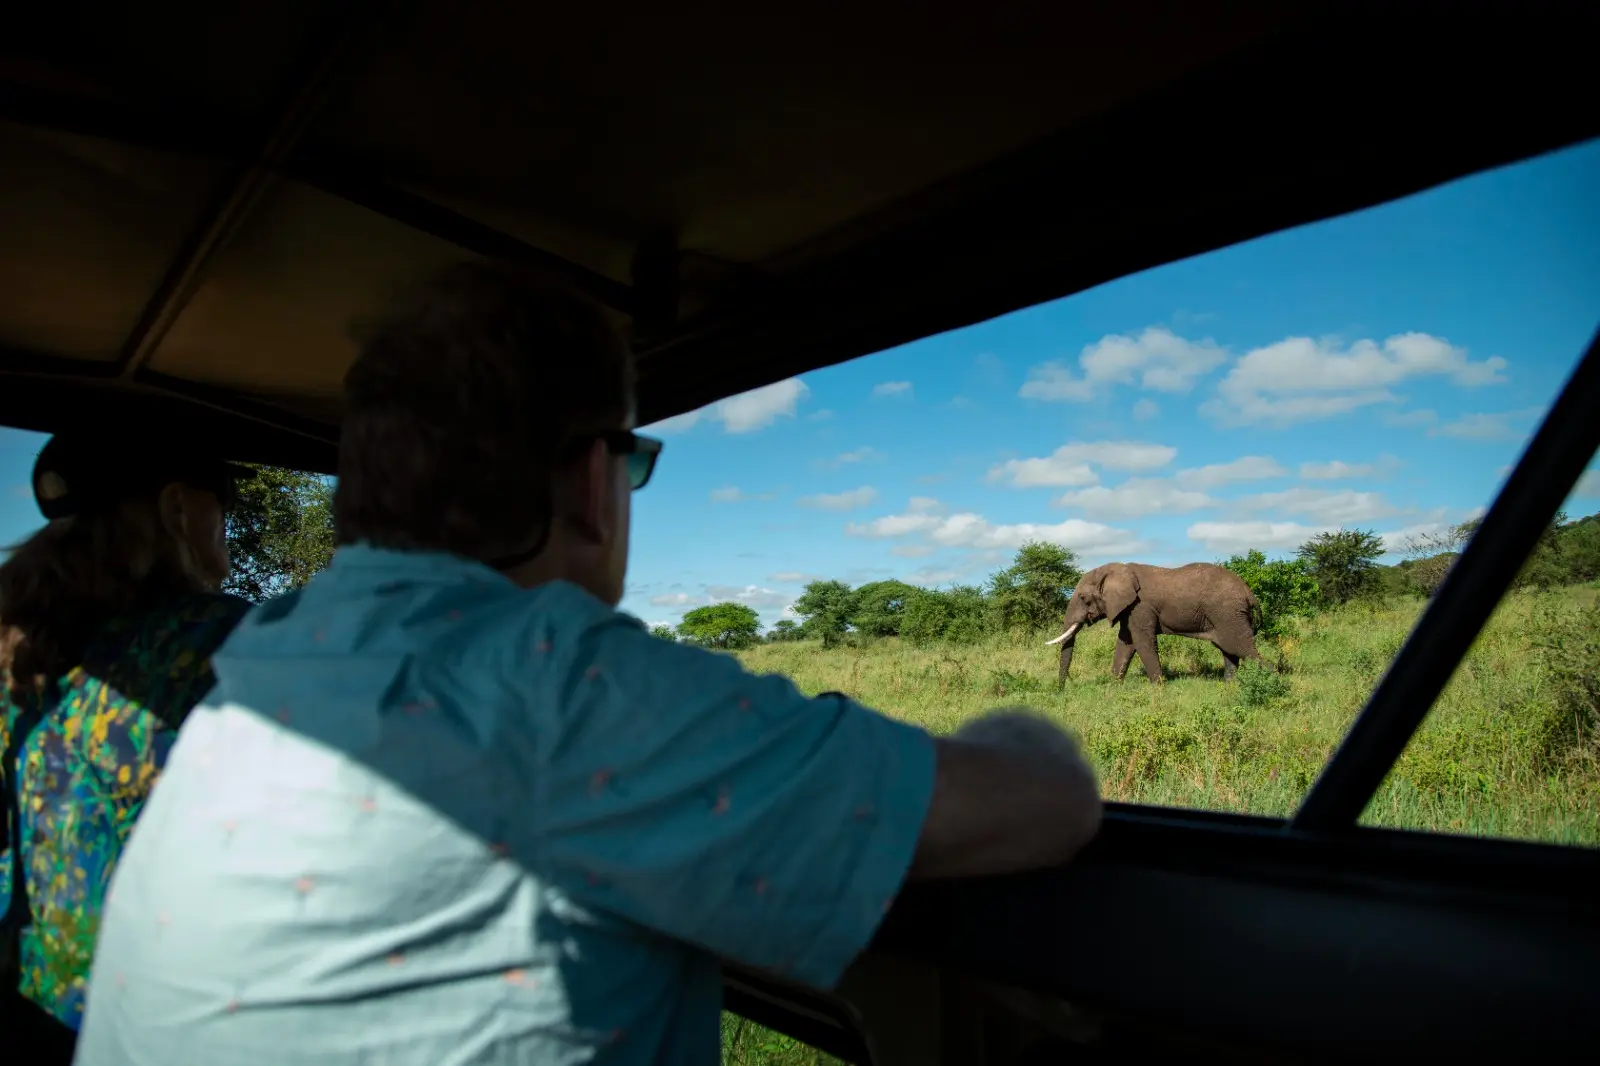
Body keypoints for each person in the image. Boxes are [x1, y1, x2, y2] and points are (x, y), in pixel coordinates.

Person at [74, 262, 1104, 1065]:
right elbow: (1050, 800)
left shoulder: (268, 661)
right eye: (635, 463)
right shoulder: (547, 683)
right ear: (589, 479)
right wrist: (1011, 726)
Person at [0, 431, 252, 1065]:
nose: (227, 527)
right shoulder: (228, 643)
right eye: (221, 506)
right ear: (176, 511)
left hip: (26, 1007)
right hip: (167, 1028)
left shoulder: (21, 656)